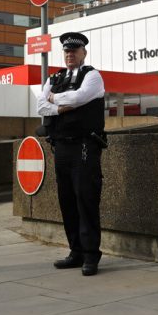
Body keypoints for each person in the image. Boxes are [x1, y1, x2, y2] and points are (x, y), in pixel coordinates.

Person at [37, 31, 106, 276]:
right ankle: (75, 252)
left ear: (83, 53)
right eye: (67, 51)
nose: (70, 54)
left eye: (74, 51)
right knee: (67, 201)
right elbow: (40, 106)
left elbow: (79, 97)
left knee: (85, 199)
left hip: (85, 146)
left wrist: (55, 99)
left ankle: (90, 255)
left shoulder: (92, 76)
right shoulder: (55, 77)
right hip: (61, 147)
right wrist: (61, 107)